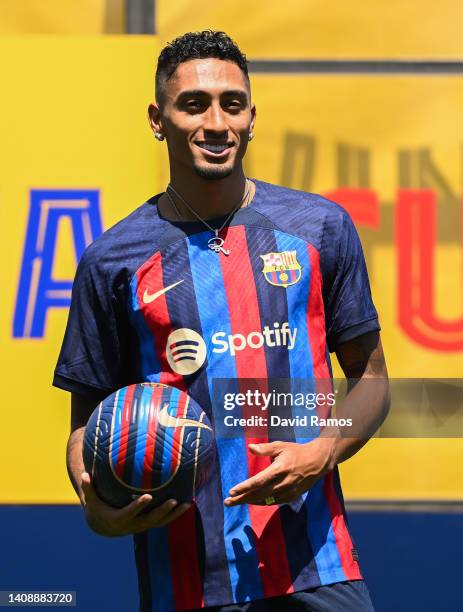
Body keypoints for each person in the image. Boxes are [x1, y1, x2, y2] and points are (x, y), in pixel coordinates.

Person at [54, 30, 389, 612]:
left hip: (318, 569)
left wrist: (324, 450)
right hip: (182, 582)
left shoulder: (319, 228)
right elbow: (88, 422)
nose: (216, 122)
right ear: (158, 120)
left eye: (232, 104)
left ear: (252, 117)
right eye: (194, 105)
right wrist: (96, 502)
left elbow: (374, 379)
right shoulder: (113, 260)